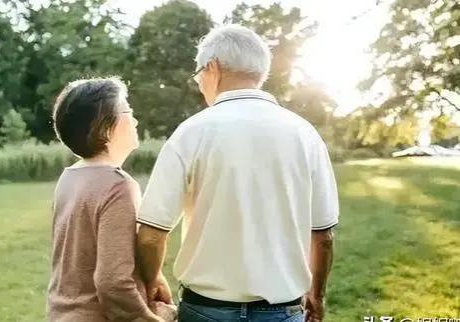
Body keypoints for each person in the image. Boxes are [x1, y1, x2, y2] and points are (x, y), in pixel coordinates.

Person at [135, 25, 339, 322]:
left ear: (213, 68)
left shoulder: (191, 132)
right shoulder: (305, 134)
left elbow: (152, 235)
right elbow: (323, 237)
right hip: (282, 312)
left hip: (204, 310)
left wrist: (150, 283)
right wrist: (317, 296)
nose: (200, 83)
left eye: (199, 74)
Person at [47, 77, 175, 322]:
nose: (135, 120)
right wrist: (148, 319)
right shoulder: (117, 186)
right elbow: (113, 282)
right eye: (128, 111)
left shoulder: (69, 177)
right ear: (105, 128)